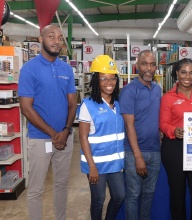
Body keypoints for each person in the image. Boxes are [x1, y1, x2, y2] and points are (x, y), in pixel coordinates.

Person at [18, 25, 77, 220]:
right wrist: (54, 134)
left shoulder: (66, 69)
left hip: (65, 138)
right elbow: (26, 108)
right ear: (41, 39)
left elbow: (72, 102)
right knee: (36, 189)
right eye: (51, 36)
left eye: (60, 38)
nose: (56, 41)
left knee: (61, 185)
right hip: (40, 139)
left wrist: (66, 130)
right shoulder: (29, 69)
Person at [159, 58, 192, 220]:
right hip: (175, 147)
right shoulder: (168, 97)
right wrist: (174, 130)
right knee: (177, 191)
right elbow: (163, 124)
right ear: (176, 73)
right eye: (183, 72)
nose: (187, 76)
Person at [78, 55, 125, 220]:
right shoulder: (88, 105)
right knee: (98, 200)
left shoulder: (119, 103)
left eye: (112, 78)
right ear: (96, 81)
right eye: (104, 78)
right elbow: (83, 137)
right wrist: (92, 167)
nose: (109, 82)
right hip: (96, 163)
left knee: (120, 196)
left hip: (115, 163)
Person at [119, 50, 161, 220]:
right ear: (137, 66)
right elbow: (129, 126)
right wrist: (138, 157)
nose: (148, 68)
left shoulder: (158, 89)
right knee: (134, 194)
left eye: (152, 64)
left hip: (155, 151)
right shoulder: (129, 91)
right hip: (134, 152)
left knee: (149, 194)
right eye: (145, 64)